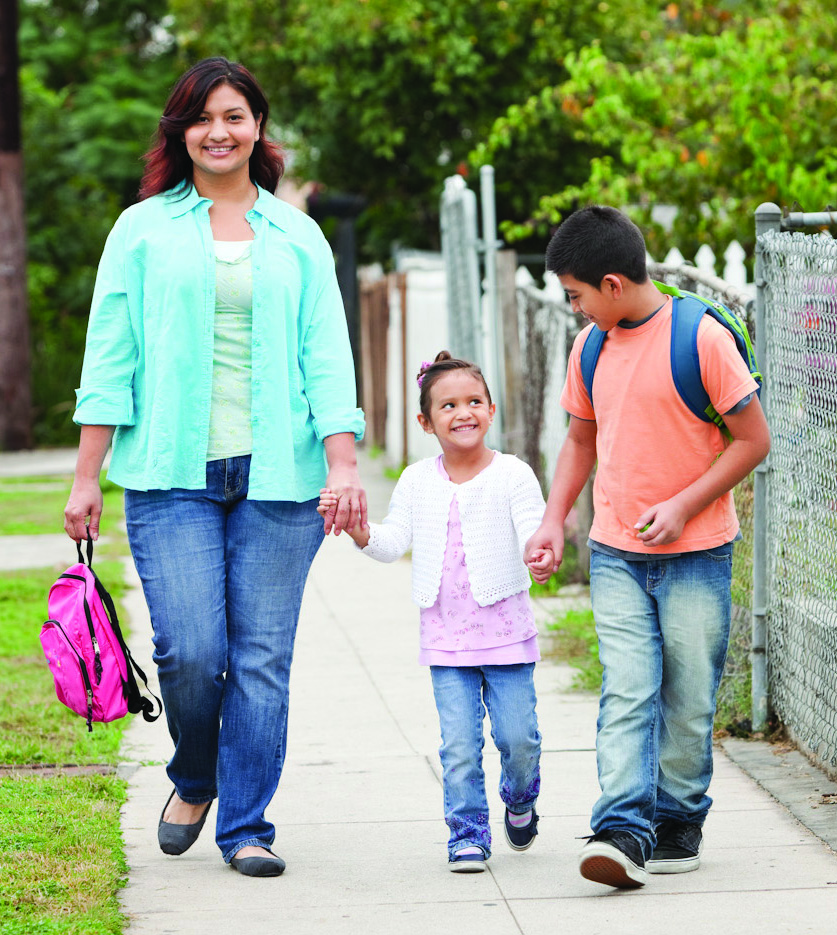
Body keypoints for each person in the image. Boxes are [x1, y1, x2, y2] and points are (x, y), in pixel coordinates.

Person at [63, 57, 366, 878]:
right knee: (192, 652)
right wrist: (87, 474)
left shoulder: (296, 234)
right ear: (181, 131)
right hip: (170, 477)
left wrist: (342, 463)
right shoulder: (142, 230)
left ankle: (247, 826)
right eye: (203, 118)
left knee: (262, 658)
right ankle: (193, 772)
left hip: (281, 478)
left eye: (234, 115)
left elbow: (326, 357)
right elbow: (110, 355)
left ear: (257, 127)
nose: (219, 131)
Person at [524, 206, 770, 889]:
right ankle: (621, 827)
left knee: (688, 698)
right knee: (628, 690)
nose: (572, 308)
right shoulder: (591, 347)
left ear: (609, 282)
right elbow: (579, 439)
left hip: (696, 555)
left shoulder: (700, 339)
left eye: (574, 294)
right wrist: (553, 520)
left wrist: (684, 503)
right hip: (615, 555)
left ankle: (678, 818)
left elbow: (752, 439)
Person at [318, 352, 553, 872]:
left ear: (491, 410)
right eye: (448, 405)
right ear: (427, 421)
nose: (462, 412)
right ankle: (467, 833)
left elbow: (532, 529)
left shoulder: (513, 474)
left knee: (519, 738)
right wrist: (357, 528)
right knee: (459, 746)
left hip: (507, 634)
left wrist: (539, 554)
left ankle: (520, 796)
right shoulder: (416, 480)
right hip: (447, 639)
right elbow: (391, 542)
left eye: (473, 401)